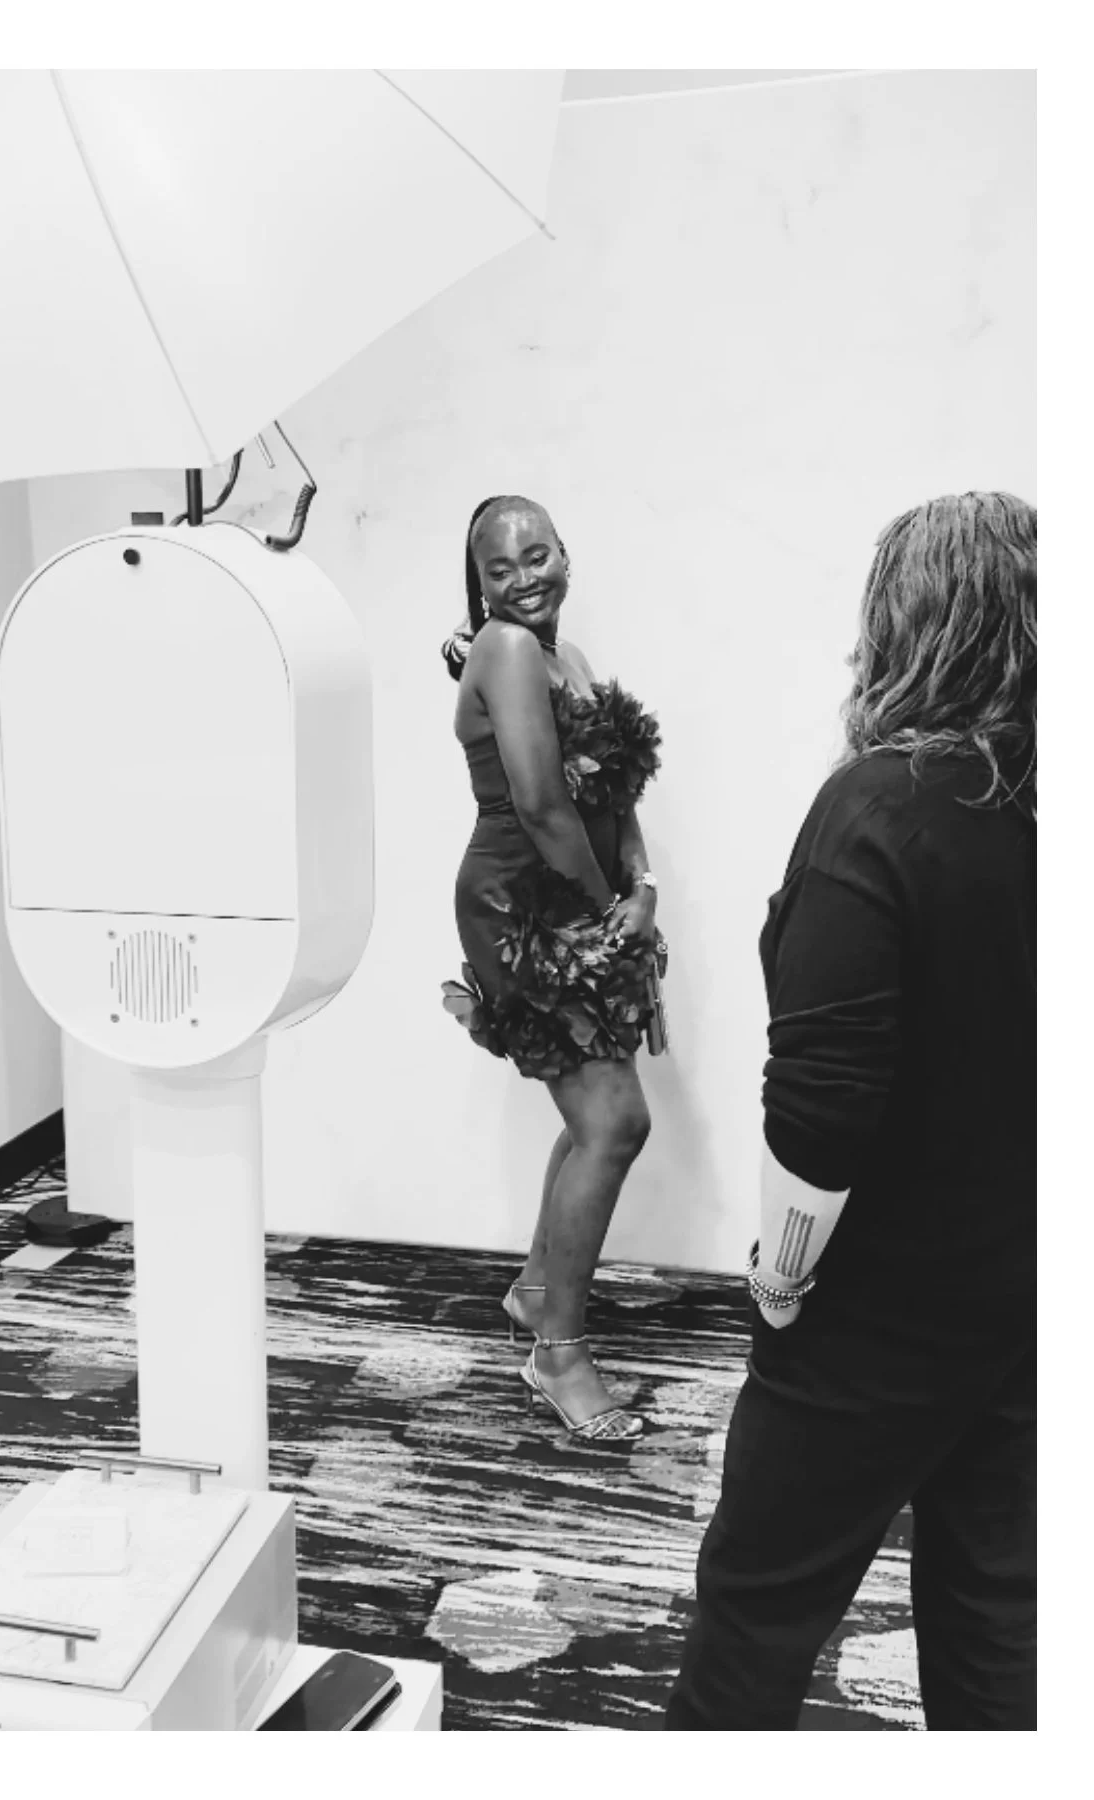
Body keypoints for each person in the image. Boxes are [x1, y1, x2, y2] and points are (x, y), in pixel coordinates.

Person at [666, 490, 1036, 1731]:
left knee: (756, 1617)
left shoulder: (875, 807)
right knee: (998, 1628)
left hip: (875, 1319)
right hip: (1029, 1299)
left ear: (904, 624)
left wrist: (778, 1275)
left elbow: (821, 1111)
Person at [441, 495, 665, 1443]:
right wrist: (605, 909)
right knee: (614, 1119)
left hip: (585, 896)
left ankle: (539, 1294)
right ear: (480, 586)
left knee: (594, 1119)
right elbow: (539, 804)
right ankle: (558, 1355)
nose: (525, 576)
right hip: (528, 908)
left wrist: (643, 883)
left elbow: (610, 791)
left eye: (539, 554)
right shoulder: (507, 650)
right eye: (502, 568)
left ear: (567, 553)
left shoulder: (560, 657)